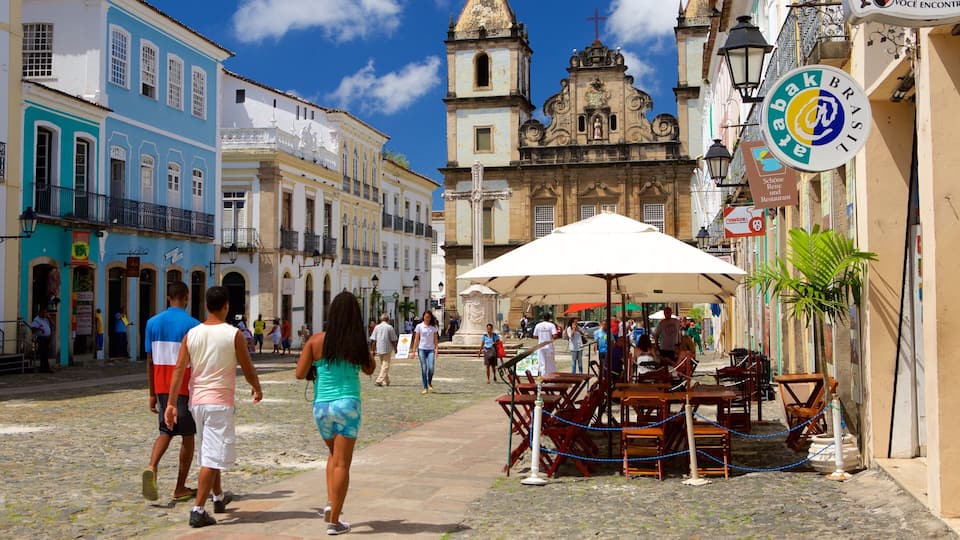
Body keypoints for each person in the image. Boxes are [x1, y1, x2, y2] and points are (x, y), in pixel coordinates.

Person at [164, 286, 263, 529]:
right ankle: (198, 509)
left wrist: (170, 402)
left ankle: (218, 497)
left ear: (207, 305)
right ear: (226, 306)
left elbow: (179, 369)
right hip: (219, 401)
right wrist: (256, 386)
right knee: (211, 454)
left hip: (196, 401)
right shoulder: (233, 334)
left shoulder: (192, 334)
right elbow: (247, 365)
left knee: (209, 447)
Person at [295, 291, 375, 535]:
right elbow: (370, 370)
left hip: (322, 406)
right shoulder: (355, 343)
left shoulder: (316, 341)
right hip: (347, 404)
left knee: (333, 455)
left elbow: (299, 373)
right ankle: (335, 521)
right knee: (342, 463)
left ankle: (331, 502)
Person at [142, 281, 201, 502]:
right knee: (187, 436)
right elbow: (196, 361)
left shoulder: (152, 323)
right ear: (186, 297)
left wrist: (151, 393)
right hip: (184, 386)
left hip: (161, 385)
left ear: (168, 298)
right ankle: (179, 487)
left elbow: (149, 360)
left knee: (165, 431)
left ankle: (152, 466)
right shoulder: (194, 325)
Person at [410, 310, 440, 394]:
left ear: (431, 318)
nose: (427, 319)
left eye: (429, 317)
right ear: (423, 317)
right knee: (424, 368)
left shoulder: (434, 327)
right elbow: (416, 339)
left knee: (431, 368)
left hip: (430, 349)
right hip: (422, 349)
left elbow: (435, 340)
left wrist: (436, 349)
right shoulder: (419, 326)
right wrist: (413, 351)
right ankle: (425, 387)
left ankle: (429, 382)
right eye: (426, 317)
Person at [369, 313, 398, 387]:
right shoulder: (389, 327)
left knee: (383, 365)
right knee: (385, 365)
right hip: (387, 348)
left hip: (379, 348)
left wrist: (373, 350)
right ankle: (379, 380)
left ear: (381, 319)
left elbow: (373, 340)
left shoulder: (377, 327)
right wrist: (395, 348)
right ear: (388, 319)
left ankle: (387, 381)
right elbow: (393, 340)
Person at [30, 308, 53, 373]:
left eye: (46, 313)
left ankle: (44, 367)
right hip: (41, 338)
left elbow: (53, 325)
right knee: (43, 353)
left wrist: (49, 318)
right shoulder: (36, 320)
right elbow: (33, 328)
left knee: (46, 353)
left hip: (47, 338)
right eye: (44, 313)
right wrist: (40, 329)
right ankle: (45, 368)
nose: (45, 314)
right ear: (40, 313)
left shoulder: (46, 319)